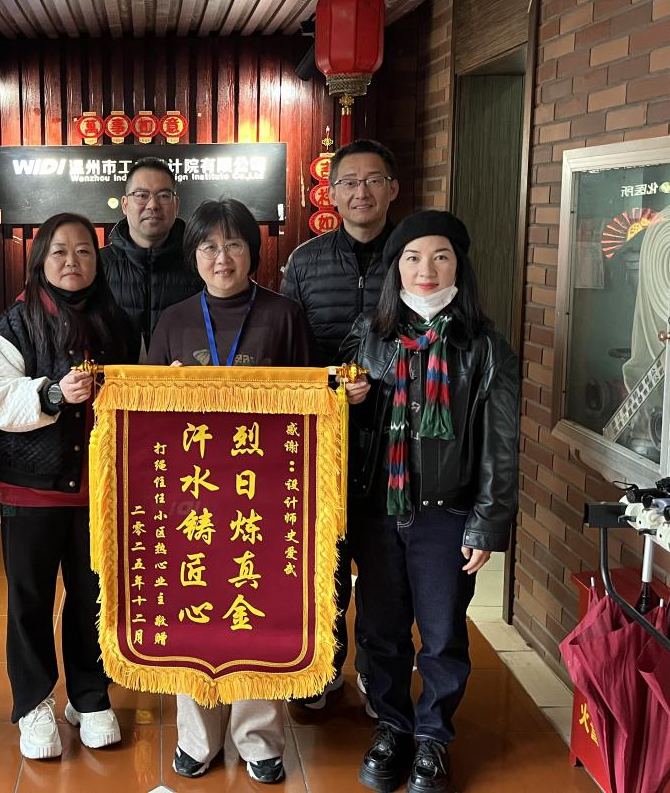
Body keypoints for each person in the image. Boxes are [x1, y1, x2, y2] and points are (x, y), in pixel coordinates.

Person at [340, 210, 519, 793]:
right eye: (413, 258)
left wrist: (488, 523)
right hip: (378, 510)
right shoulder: (370, 337)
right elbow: (336, 428)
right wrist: (349, 398)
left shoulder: (485, 347)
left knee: (442, 634)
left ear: (458, 266)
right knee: (381, 629)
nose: (426, 269)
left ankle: (433, 736)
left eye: (441, 257)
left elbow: (500, 445)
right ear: (396, 268)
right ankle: (392, 726)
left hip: (448, 515)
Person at [148, 197, 312, 785]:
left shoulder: (284, 315)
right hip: (191, 495)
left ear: (253, 252)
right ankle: (198, 736)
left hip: (263, 493)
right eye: (209, 246)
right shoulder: (173, 321)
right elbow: (146, 414)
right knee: (194, 609)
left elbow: (309, 403)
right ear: (193, 256)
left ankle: (259, 738)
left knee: (257, 610)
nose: (222, 258)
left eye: (234, 244)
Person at [0, 212, 140, 760]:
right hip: (31, 489)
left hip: (101, 489)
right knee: (30, 599)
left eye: (84, 251)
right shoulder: (12, 325)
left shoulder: (118, 323)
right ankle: (34, 702)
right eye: (60, 252)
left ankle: (89, 697)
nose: (73, 262)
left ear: (98, 260)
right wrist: (50, 394)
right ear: (40, 260)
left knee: (93, 596)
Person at [280, 138, 400, 713]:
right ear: (331, 193)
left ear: (392, 189)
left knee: (381, 565)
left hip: (394, 437)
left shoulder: (411, 256)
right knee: (321, 557)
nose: (361, 192)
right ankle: (323, 665)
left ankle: (377, 675)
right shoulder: (305, 261)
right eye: (349, 182)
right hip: (322, 439)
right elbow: (288, 349)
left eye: (373, 180)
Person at [101, 157, 204, 351]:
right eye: (141, 195)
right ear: (125, 204)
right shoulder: (98, 266)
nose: (153, 205)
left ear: (176, 205)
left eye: (164, 196)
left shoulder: (200, 263)